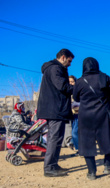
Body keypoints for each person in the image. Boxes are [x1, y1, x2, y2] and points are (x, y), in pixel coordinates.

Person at [73, 57, 110, 180]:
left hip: (86, 116)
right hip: (103, 115)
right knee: (108, 139)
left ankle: (92, 172)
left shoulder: (80, 81)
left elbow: (76, 98)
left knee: (86, 143)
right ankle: (108, 165)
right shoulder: (105, 77)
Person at [37, 49, 74, 177]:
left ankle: (53, 164)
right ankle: (49, 167)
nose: (70, 64)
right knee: (55, 138)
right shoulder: (55, 69)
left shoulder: (52, 69)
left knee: (56, 138)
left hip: (54, 109)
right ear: (63, 57)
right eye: (69, 61)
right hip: (55, 109)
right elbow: (62, 86)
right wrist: (78, 88)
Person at [69, 75, 79, 155]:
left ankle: (79, 149)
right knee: (74, 132)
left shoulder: (78, 90)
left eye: (72, 81)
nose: (71, 83)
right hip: (72, 115)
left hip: (79, 114)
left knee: (75, 132)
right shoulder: (68, 91)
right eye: (69, 82)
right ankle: (78, 149)